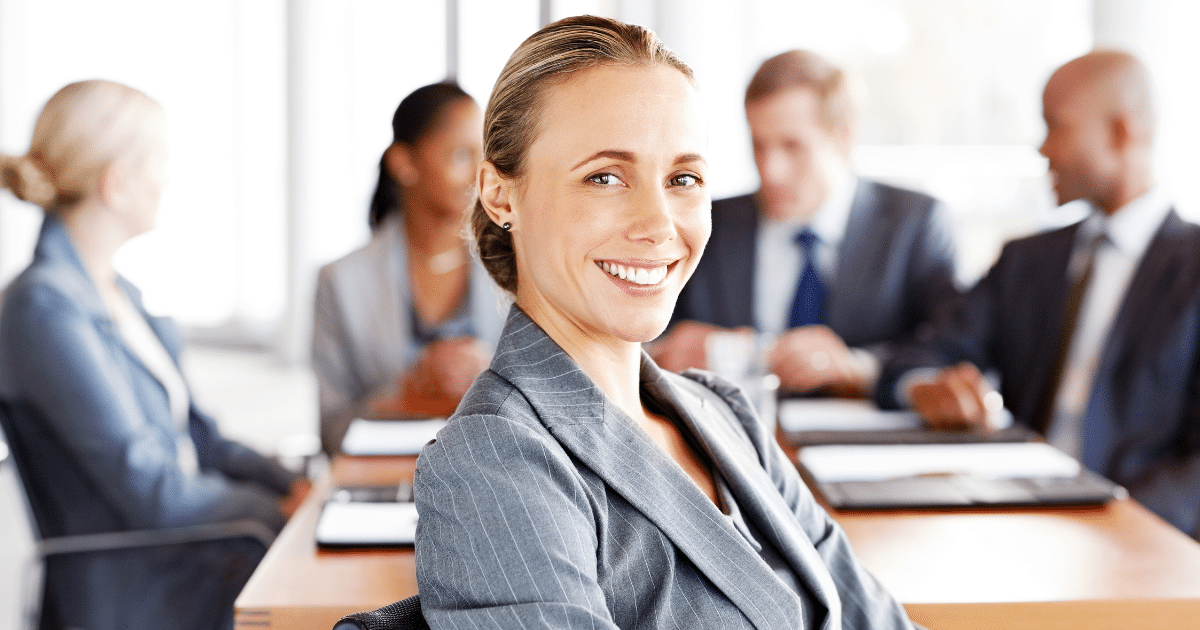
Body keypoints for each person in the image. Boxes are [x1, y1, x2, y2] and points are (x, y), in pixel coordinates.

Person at [412, 16, 917, 629]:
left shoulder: (724, 417)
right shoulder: (494, 459)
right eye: (605, 176)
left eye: (683, 179)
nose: (658, 223)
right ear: (500, 194)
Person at [0, 80, 308, 630]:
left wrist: (295, 482)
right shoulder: (43, 307)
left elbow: (203, 439)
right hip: (140, 586)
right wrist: (275, 510)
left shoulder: (120, 295)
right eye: (156, 162)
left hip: (190, 555)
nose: (166, 179)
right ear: (114, 184)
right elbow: (152, 489)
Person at [877, 50, 1200, 539]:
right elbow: (921, 353)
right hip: (1014, 520)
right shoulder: (1026, 261)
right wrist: (927, 386)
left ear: (1122, 132)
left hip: (1135, 536)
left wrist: (1116, 524)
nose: (1043, 149)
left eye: (1056, 127)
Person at [655, 49, 959, 398]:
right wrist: (677, 347)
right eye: (759, 146)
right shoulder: (708, 221)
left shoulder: (915, 223)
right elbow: (643, 335)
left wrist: (859, 367)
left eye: (793, 146)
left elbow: (952, 346)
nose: (771, 171)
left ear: (843, 136)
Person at [312, 82, 504, 454]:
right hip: (387, 482)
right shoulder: (341, 282)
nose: (480, 177)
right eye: (461, 155)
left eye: (485, 157)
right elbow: (331, 433)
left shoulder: (521, 267)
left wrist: (493, 379)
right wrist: (405, 392)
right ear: (404, 163)